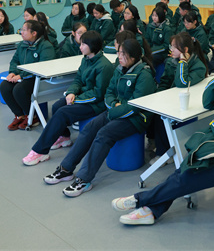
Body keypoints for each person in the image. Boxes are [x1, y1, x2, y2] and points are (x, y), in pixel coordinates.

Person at [111, 56, 214, 226]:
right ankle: (151, 210)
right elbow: (208, 102)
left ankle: (140, 200)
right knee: (185, 169)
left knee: (187, 177)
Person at [43, 38, 156, 197]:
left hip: (136, 119)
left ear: (133, 56)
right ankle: (66, 169)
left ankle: (84, 179)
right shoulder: (119, 68)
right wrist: (114, 106)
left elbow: (135, 107)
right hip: (115, 111)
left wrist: (114, 110)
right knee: (90, 128)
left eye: (123, 54)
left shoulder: (144, 75)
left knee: (104, 134)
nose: (119, 57)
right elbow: (109, 93)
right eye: (118, 53)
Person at [21, 31, 115, 165]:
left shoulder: (104, 66)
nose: (80, 47)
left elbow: (98, 94)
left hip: (96, 104)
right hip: (84, 97)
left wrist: (76, 99)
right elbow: (78, 80)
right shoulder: (86, 59)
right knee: (56, 106)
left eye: (83, 44)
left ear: (92, 45)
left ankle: (39, 151)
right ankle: (64, 137)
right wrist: (71, 92)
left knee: (62, 112)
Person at [151, 32, 208, 163]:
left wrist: (183, 62)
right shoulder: (171, 61)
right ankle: (157, 143)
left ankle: (163, 154)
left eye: (174, 47)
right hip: (172, 98)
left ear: (185, 50)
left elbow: (182, 83)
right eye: (171, 46)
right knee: (153, 112)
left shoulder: (198, 66)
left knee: (161, 119)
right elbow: (165, 81)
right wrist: (157, 97)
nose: (171, 49)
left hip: (186, 103)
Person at [0, 20, 56, 130]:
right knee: (4, 86)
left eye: (24, 30)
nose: (21, 32)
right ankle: (20, 115)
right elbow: (15, 61)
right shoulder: (22, 44)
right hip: (25, 77)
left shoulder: (46, 46)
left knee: (19, 89)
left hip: (39, 78)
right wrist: (12, 72)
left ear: (34, 33)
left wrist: (21, 75)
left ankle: (32, 116)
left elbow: (43, 67)